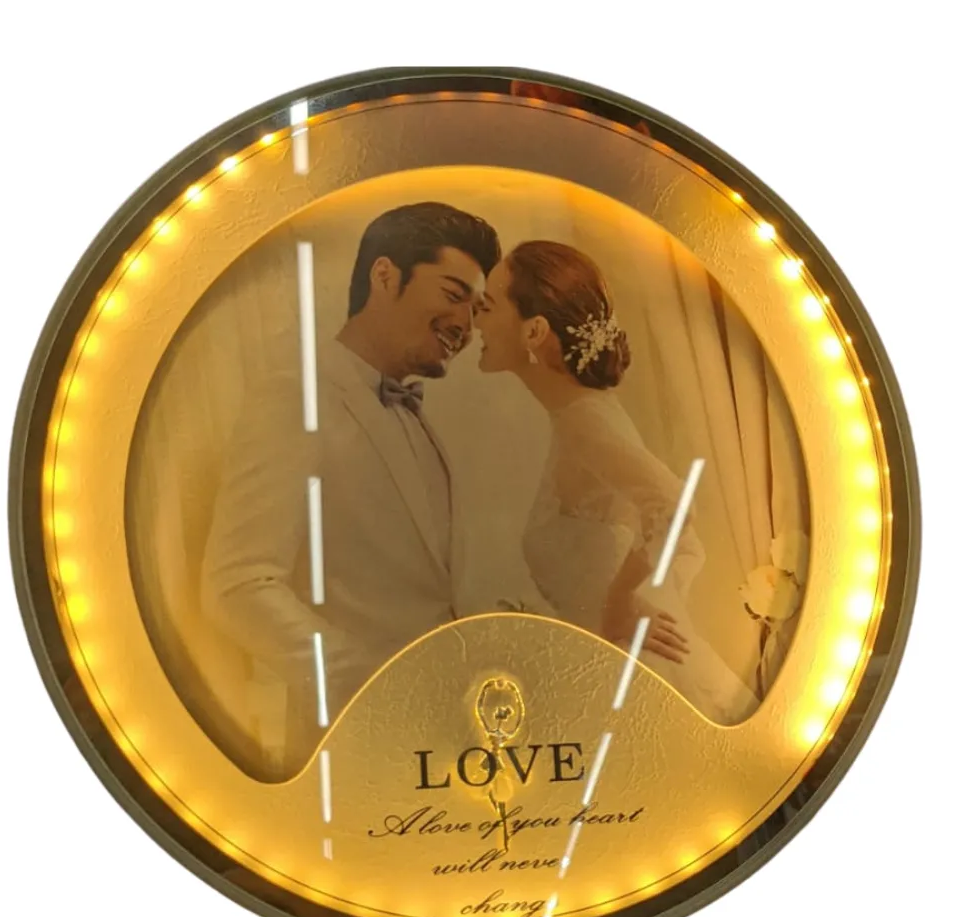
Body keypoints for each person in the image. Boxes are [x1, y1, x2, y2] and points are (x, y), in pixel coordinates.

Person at [200, 202, 501, 772]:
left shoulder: (421, 418)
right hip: (350, 749)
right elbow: (237, 585)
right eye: (453, 294)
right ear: (385, 275)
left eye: (476, 308)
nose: (466, 324)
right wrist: (371, 684)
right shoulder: (296, 396)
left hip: (449, 749)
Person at [474, 240, 759, 725]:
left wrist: (622, 601)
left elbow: (675, 507)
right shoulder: (578, 416)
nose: (476, 321)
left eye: (488, 306)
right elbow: (681, 543)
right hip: (617, 664)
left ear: (534, 331)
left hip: (640, 671)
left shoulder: (585, 420)